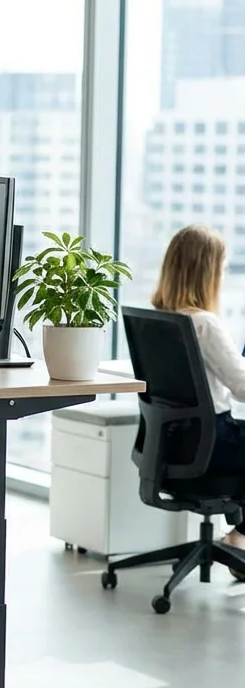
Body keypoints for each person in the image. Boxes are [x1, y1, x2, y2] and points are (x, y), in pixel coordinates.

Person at [152, 224, 245, 578]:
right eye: (221, 267)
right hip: (211, 447)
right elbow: (241, 388)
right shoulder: (205, 324)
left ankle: (237, 535)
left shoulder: (161, 318)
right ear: (207, 272)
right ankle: (239, 535)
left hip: (173, 445)